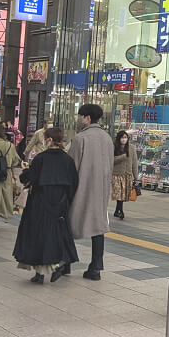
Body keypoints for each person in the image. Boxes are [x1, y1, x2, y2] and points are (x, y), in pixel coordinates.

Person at [14, 128, 80, 283]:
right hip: (60, 202)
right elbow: (74, 183)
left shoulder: (41, 158)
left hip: (39, 200)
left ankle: (40, 273)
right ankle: (58, 264)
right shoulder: (67, 160)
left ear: (48, 140)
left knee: (37, 233)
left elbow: (29, 178)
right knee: (57, 233)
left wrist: (25, 170)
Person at [68, 104, 114, 280]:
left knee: (70, 222)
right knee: (98, 226)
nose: (80, 119)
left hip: (82, 187)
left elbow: (72, 166)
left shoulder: (80, 138)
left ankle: (66, 263)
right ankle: (96, 267)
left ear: (87, 118)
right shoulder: (107, 138)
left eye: (81, 116)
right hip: (101, 189)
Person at [111, 130, 139, 220]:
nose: (124, 139)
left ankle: (117, 210)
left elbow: (134, 163)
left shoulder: (131, 148)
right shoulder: (114, 147)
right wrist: (122, 157)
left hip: (127, 175)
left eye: (125, 137)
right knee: (119, 193)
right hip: (116, 174)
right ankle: (120, 211)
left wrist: (136, 177)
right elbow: (111, 160)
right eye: (122, 137)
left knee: (123, 194)